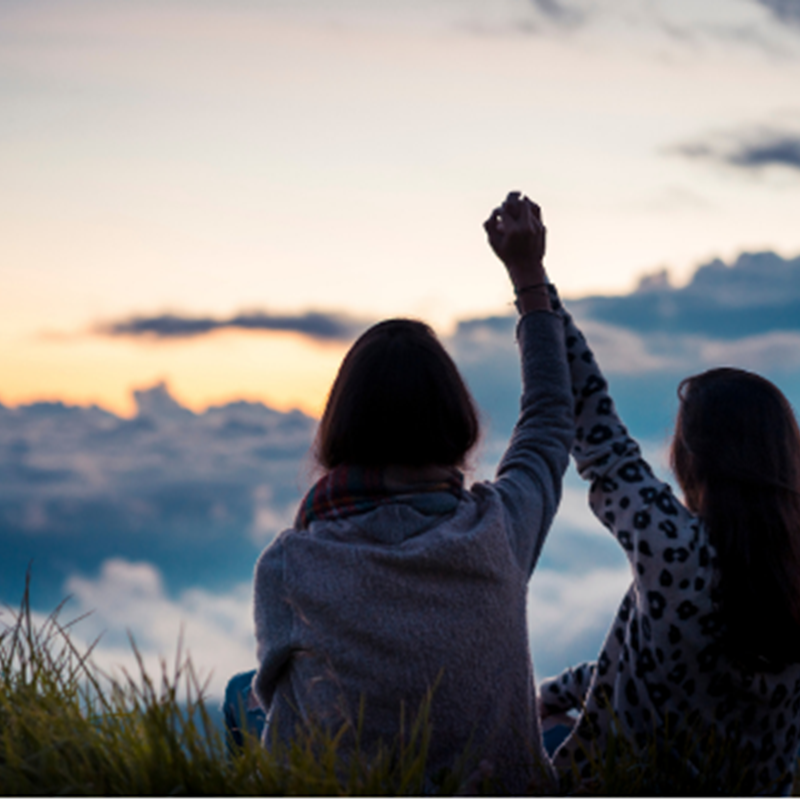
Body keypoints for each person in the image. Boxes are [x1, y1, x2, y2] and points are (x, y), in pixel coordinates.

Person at [241, 193, 574, 793]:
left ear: (341, 427)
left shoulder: (290, 566)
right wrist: (528, 274)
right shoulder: (500, 530)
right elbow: (550, 417)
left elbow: (288, 729)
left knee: (245, 697)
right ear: (455, 420)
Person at [534, 194, 800, 793]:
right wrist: (554, 693)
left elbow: (594, 422)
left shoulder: (674, 551)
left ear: (693, 459)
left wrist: (532, 281)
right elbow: (649, 658)